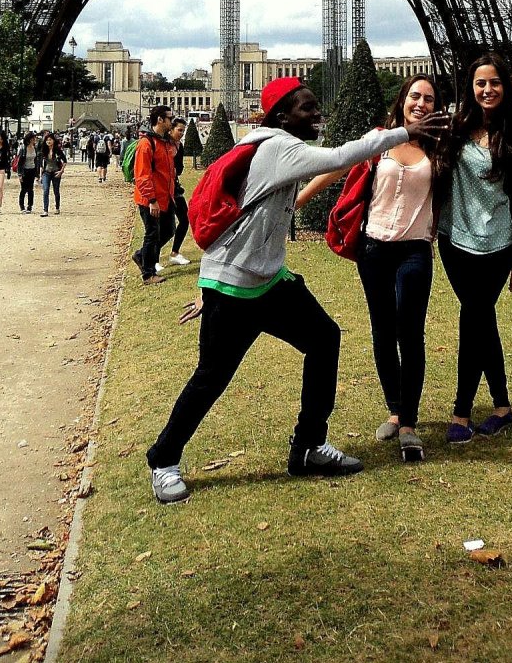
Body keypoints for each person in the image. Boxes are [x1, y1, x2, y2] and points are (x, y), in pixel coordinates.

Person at [143, 76, 449, 504]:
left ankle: (308, 446)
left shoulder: (271, 144)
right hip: (233, 286)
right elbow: (342, 156)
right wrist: (403, 132)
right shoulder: (277, 147)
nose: (317, 113)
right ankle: (163, 458)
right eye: (307, 107)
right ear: (283, 115)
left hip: (268, 280)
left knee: (324, 339)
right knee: (212, 377)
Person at [296, 73, 447, 463]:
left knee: (410, 332)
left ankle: (410, 424)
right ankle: (395, 409)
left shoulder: (440, 146)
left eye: (429, 99)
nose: (421, 104)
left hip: (414, 249)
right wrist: (295, 202)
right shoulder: (381, 139)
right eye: (415, 96)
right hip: (374, 248)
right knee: (382, 329)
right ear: (402, 100)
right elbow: (337, 166)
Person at [436, 54, 512, 445]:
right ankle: (502, 408)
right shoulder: (457, 127)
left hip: (499, 241)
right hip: (454, 239)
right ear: (471, 88)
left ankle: (462, 411)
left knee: (473, 318)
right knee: (481, 319)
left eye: (494, 82)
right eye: (481, 83)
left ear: (505, 86)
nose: (488, 90)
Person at [132, 108, 176, 283]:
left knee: (168, 230)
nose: (171, 122)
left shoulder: (164, 142)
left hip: (165, 195)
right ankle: (148, 273)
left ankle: (142, 256)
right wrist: (152, 200)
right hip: (151, 198)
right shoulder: (146, 143)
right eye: (169, 118)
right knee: (152, 234)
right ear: (160, 120)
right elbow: (142, 175)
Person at [167, 117, 193, 267]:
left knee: (184, 218)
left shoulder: (179, 146)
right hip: (165, 188)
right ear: (171, 129)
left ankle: (175, 252)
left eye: (184, 130)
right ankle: (152, 257)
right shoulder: (164, 144)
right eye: (179, 130)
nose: (182, 133)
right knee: (164, 226)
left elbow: (180, 168)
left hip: (175, 187)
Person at [37, 131, 67, 215]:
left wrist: (61, 171)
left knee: (56, 191)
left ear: (53, 140)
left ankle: (57, 207)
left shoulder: (58, 150)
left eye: (50, 140)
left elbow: (64, 161)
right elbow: (41, 164)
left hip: (56, 172)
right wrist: (40, 176)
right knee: (45, 190)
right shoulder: (44, 150)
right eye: (47, 140)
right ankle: (45, 210)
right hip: (46, 172)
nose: (48, 142)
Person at [17, 130, 38, 212]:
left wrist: (37, 173)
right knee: (23, 189)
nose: (34, 140)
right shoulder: (23, 148)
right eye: (33, 139)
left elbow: (36, 160)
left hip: (32, 170)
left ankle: (30, 206)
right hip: (24, 170)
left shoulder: (35, 148)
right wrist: (20, 174)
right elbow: (20, 162)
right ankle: (22, 206)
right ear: (29, 139)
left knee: (30, 189)